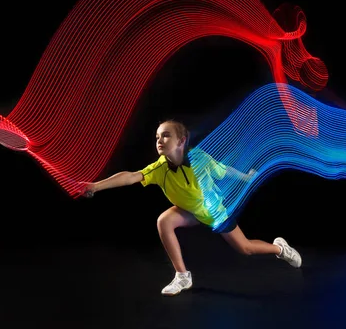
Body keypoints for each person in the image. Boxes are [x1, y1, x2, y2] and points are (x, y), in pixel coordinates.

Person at [79, 119, 302, 296]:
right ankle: (182, 276)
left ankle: (280, 249)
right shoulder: (159, 168)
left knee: (246, 249)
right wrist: (96, 186)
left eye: (166, 135)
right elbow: (130, 177)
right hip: (189, 211)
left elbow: (224, 170)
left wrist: (246, 176)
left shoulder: (199, 159)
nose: (159, 140)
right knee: (164, 221)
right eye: (157, 136)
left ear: (182, 140)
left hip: (214, 213)